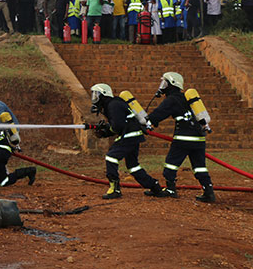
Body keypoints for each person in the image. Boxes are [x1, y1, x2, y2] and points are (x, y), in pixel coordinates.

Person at [147, 72, 215, 202]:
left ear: (171, 84)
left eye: (165, 82)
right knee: (199, 166)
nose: (162, 86)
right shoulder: (187, 98)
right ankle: (209, 192)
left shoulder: (172, 99)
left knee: (171, 164)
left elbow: (158, 114)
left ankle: (171, 189)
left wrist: (148, 122)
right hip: (199, 138)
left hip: (183, 138)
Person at [90, 84, 164, 199]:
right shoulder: (114, 104)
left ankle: (115, 189)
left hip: (129, 136)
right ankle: (154, 186)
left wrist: (105, 132)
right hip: (133, 136)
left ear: (104, 94)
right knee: (133, 166)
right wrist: (105, 129)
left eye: (96, 94)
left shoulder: (113, 105)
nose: (94, 98)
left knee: (111, 157)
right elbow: (119, 123)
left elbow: (118, 126)